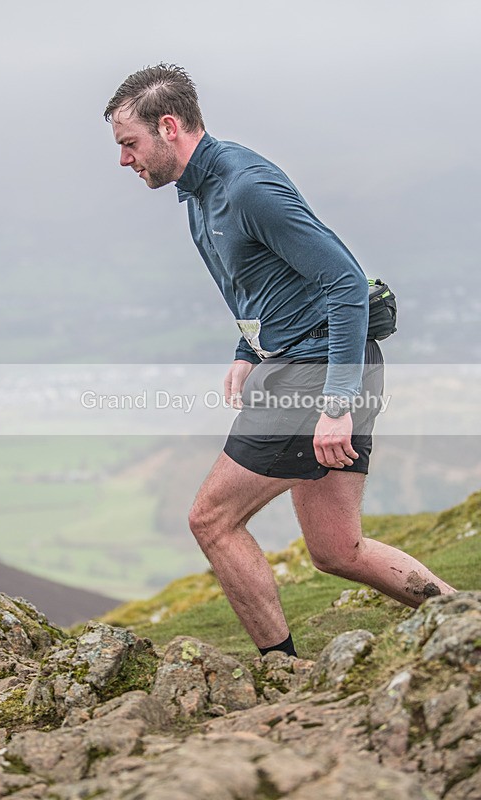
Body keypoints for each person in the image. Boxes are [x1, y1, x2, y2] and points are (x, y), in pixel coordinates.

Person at [104, 63, 455, 658]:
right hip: (315, 363)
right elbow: (262, 282)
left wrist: (337, 406)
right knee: (338, 550)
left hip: (318, 372)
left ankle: (282, 671)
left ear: (168, 127)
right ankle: (473, 621)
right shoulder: (199, 193)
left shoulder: (246, 187)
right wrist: (248, 349)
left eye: (129, 143)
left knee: (211, 520)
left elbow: (345, 283)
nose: (124, 160)